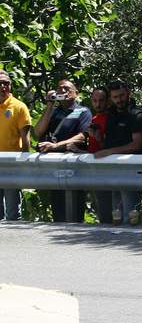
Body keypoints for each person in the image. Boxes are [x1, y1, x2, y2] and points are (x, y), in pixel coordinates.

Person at [34, 79, 92, 222]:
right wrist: (49, 105)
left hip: (73, 164)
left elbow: (83, 136)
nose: (63, 92)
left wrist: (56, 145)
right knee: (58, 203)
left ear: (76, 93)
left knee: (75, 201)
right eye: (60, 89)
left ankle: (76, 227)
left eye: (67, 88)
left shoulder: (83, 111)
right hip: (54, 164)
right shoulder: (53, 111)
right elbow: (38, 132)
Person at [96, 79, 142, 225]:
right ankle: (118, 241)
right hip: (114, 169)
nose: (119, 100)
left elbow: (137, 144)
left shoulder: (137, 114)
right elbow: (110, 142)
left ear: (128, 93)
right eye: (115, 97)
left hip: (132, 170)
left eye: (122, 96)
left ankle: (132, 239)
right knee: (117, 214)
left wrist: (109, 152)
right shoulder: (111, 114)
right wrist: (100, 140)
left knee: (130, 215)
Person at [0, 70, 31, 221]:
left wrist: (24, 164)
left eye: (6, 83)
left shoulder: (19, 107)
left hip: (11, 165)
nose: (3, 86)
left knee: (12, 212)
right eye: (0, 83)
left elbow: (26, 140)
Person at [85, 87, 113, 224]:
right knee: (101, 205)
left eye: (101, 100)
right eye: (95, 101)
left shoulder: (111, 119)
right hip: (94, 167)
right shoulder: (94, 118)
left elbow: (109, 148)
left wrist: (99, 138)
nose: (98, 104)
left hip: (107, 168)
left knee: (107, 206)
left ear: (107, 101)